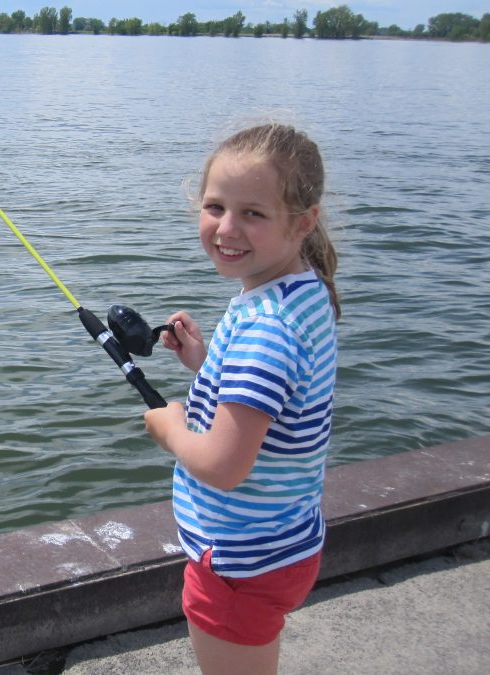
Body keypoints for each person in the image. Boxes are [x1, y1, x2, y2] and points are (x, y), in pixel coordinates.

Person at [144, 123, 340, 675]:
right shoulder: (300, 292)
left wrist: (170, 428)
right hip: (285, 540)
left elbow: (225, 466)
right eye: (215, 206)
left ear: (303, 222)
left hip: (238, 562)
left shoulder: (265, 327)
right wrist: (205, 363)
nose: (226, 228)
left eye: (253, 212)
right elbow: (273, 404)